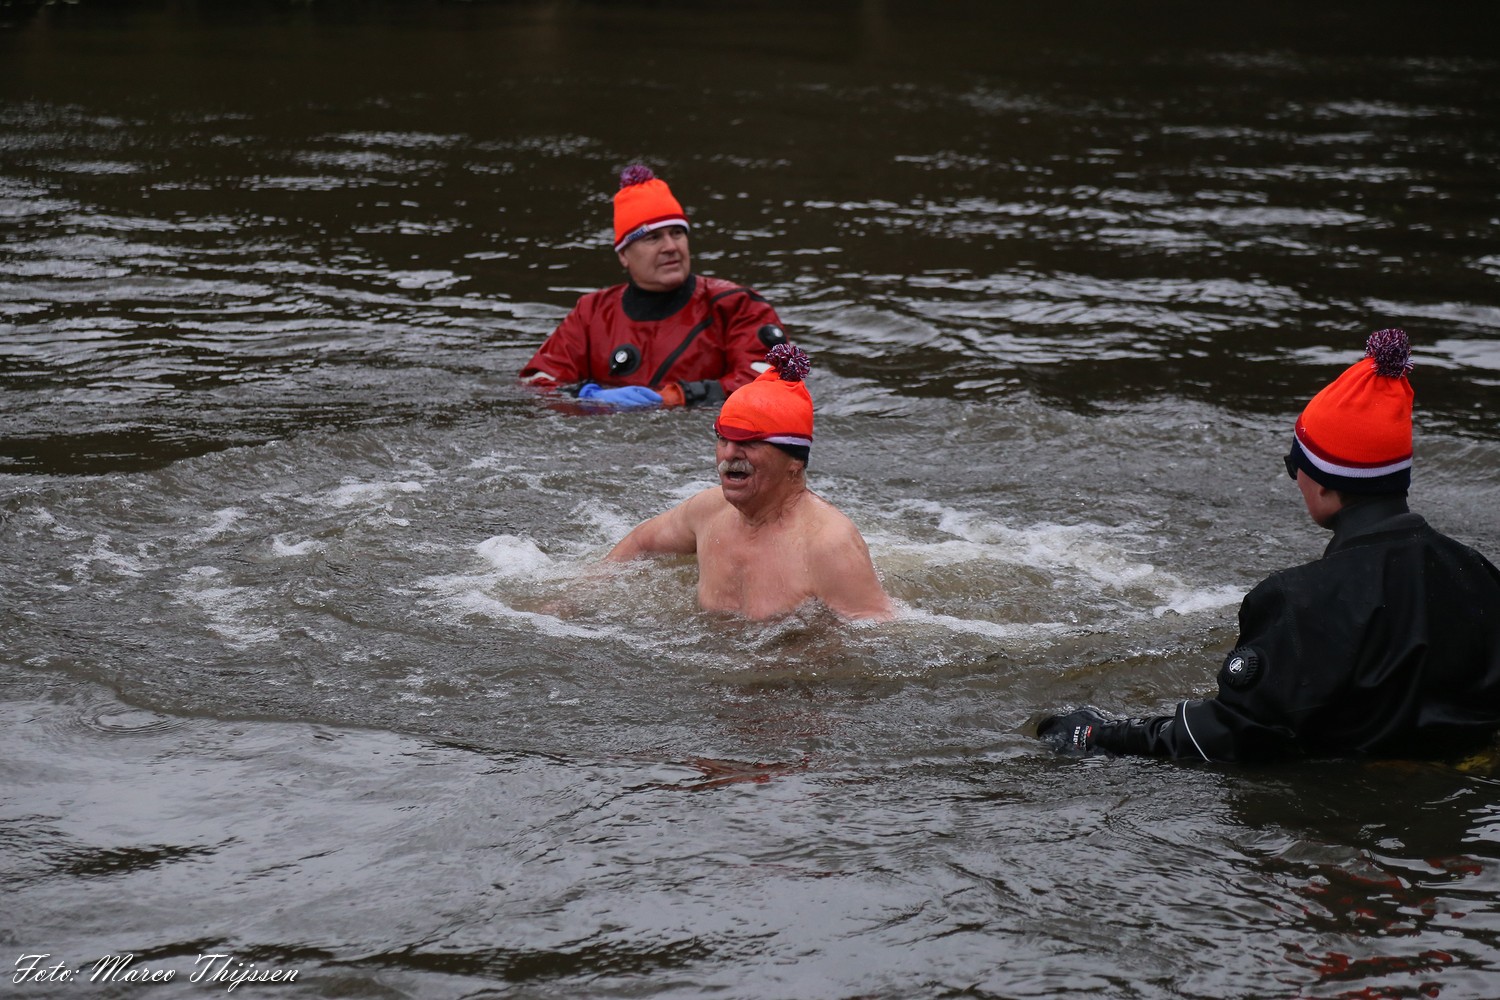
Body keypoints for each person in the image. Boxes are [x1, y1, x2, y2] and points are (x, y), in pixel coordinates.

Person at [1039, 328, 1500, 763]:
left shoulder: (1299, 600)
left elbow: (1232, 735)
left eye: (1294, 466)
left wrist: (1099, 734)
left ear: (1324, 482)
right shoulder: (1479, 574)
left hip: (1347, 804)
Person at [605, 344, 894, 621]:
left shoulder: (828, 545)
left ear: (794, 461)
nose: (730, 454)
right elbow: (639, 543)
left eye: (749, 442)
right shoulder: (708, 510)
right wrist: (583, 596)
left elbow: (876, 633)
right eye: (723, 439)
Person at [520, 164, 788, 409]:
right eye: (653, 238)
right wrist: (586, 395)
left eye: (677, 233)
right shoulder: (590, 313)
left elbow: (771, 380)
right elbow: (536, 385)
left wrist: (680, 396)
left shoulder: (738, 306)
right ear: (623, 255)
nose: (670, 247)